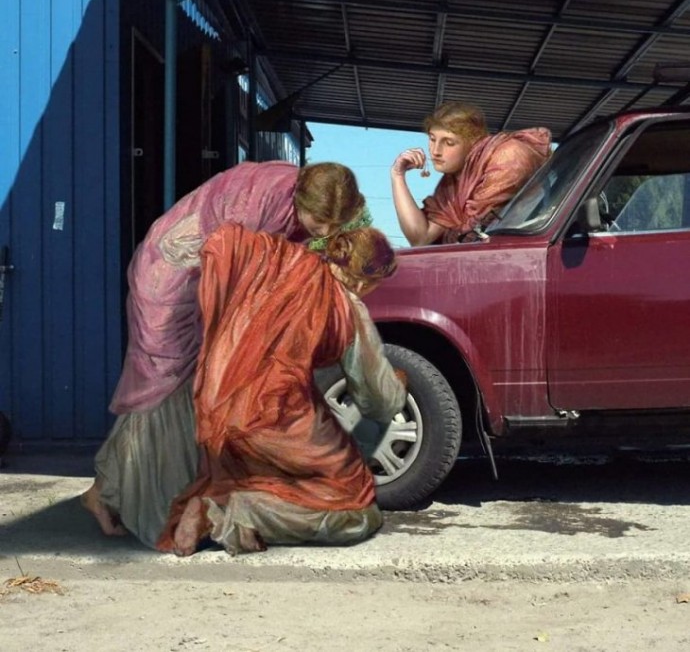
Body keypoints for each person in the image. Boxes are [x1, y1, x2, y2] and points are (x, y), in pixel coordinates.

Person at [81, 161, 365, 538]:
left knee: (180, 392)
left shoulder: (305, 197)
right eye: (320, 220)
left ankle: (107, 490)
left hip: (202, 281)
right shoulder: (259, 203)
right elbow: (237, 276)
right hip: (171, 284)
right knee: (163, 390)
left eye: (334, 224)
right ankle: (109, 492)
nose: (325, 231)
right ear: (302, 199)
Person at [145, 224, 405, 556]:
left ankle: (225, 505)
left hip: (216, 408)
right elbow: (377, 401)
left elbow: (223, 243)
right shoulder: (348, 306)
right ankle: (223, 513)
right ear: (363, 280)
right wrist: (397, 386)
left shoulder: (283, 261)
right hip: (273, 417)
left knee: (275, 471)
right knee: (355, 505)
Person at [390, 101, 552, 245]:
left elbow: (475, 236)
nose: (435, 151)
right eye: (432, 139)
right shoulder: (453, 182)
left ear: (473, 141)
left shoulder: (509, 156)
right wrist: (397, 175)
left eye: (449, 142)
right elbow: (420, 238)